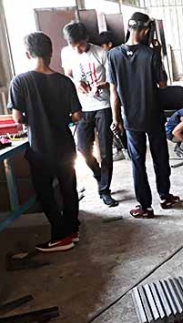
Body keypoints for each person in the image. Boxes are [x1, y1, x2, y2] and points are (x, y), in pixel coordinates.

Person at [8, 32, 82, 252]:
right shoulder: (64, 81)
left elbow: (17, 118)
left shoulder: (20, 81)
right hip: (66, 146)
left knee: (46, 193)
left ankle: (60, 237)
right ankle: (72, 230)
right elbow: (77, 116)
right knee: (69, 188)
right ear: (51, 53)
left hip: (40, 148)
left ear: (27, 53)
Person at [107, 12, 181, 218]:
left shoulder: (113, 55)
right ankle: (165, 196)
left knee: (137, 162)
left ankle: (145, 207)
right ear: (147, 30)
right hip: (153, 115)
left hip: (130, 119)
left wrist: (116, 119)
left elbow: (114, 92)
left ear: (129, 28)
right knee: (160, 157)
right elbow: (163, 84)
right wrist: (158, 54)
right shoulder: (150, 54)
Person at [61, 22, 118, 207]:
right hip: (82, 107)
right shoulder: (67, 53)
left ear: (86, 39)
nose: (77, 49)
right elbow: (68, 74)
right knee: (83, 149)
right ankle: (98, 173)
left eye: (80, 45)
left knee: (105, 150)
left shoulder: (101, 54)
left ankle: (104, 190)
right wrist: (77, 83)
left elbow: (112, 82)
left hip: (103, 105)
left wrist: (99, 85)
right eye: (73, 46)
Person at [97, 30, 127, 162]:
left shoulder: (112, 56)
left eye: (102, 46)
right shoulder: (120, 54)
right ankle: (125, 148)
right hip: (119, 96)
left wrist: (102, 85)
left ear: (108, 45)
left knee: (117, 123)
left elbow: (113, 82)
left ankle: (123, 149)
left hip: (117, 96)